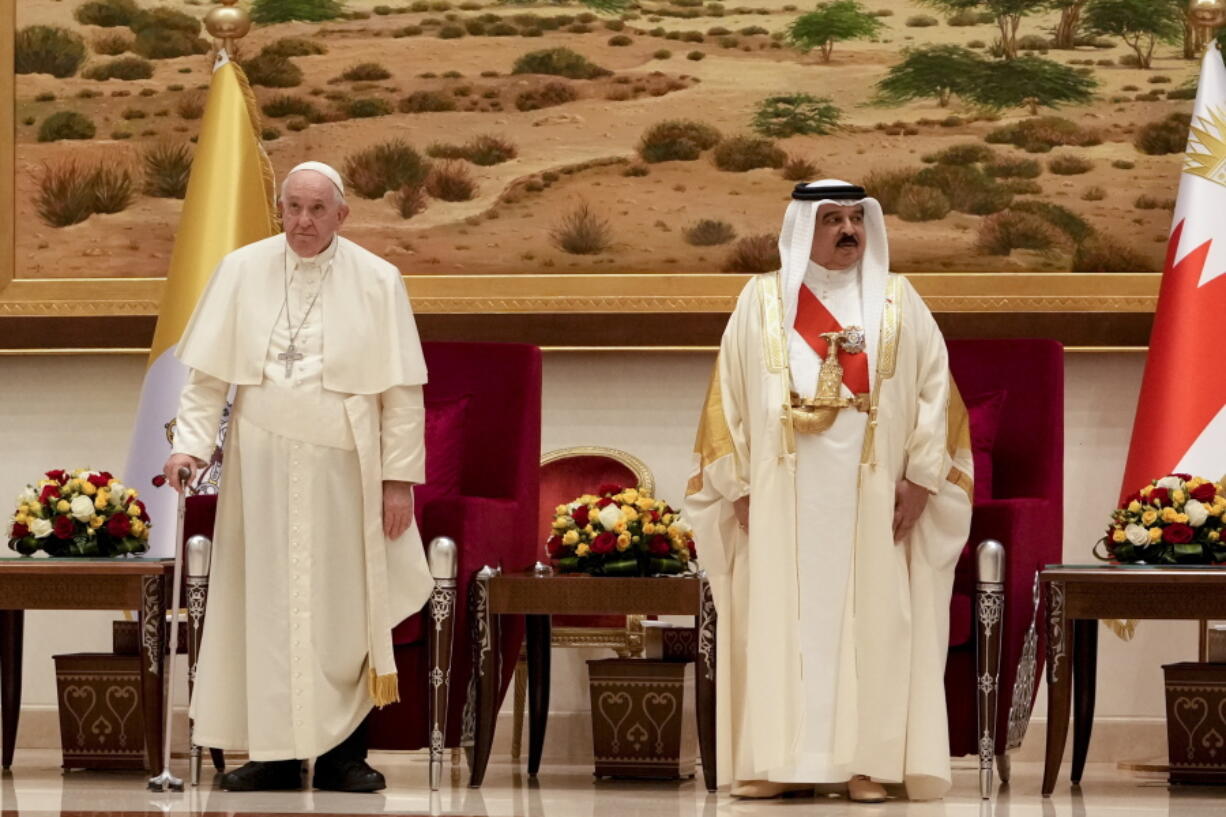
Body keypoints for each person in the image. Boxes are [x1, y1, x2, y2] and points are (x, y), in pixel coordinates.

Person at [684, 179, 974, 802]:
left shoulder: (898, 300)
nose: (849, 231)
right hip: (778, 495)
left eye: (855, 219)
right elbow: (725, 402)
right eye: (832, 220)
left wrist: (922, 481)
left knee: (872, 622)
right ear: (801, 229)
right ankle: (775, 762)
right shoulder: (761, 302)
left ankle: (865, 764)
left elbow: (935, 396)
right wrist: (735, 487)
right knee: (777, 620)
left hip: (873, 497)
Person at [162, 161, 433, 793]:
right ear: (279, 209)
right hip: (258, 462)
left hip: (344, 467)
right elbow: (206, 381)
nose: (303, 222)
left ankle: (342, 756)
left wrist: (400, 480)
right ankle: (276, 756)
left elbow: (401, 392)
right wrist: (190, 450)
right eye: (293, 208)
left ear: (342, 215)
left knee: (342, 606)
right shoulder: (241, 271)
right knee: (264, 603)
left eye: (317, 210)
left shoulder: (378, 279)